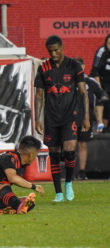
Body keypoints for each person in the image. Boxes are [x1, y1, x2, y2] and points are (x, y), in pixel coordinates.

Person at [34, 35, 90, 202]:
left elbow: (83, 93)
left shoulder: (74, 66)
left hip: (70, 115)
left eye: (56, 50)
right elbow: (38, 95)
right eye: (50, 51)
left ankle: (69, 183)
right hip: (51, 117)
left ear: (62, 48)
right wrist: (37, 118)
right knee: (54, 154)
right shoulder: (43, 68)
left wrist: (86, 117)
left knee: (69, 150)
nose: (53, 54)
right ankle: (58, 193)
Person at [74, 57, 109, 180]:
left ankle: (82, 171)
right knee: (70, 145)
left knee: (83, 144)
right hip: (70, 118)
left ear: (84, 66)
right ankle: (71, 171)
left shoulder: (90, 81)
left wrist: (104, 97)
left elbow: (101, 93)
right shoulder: (68, 81)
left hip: (85, 119)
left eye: (80, 65)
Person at [90, 34, 110, 132]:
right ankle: (100, 125)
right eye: (109, 43)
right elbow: (95, 71)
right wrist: (100, 90)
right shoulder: (101, 51)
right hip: (100, 81)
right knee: (103, 98)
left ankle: (106, 128)